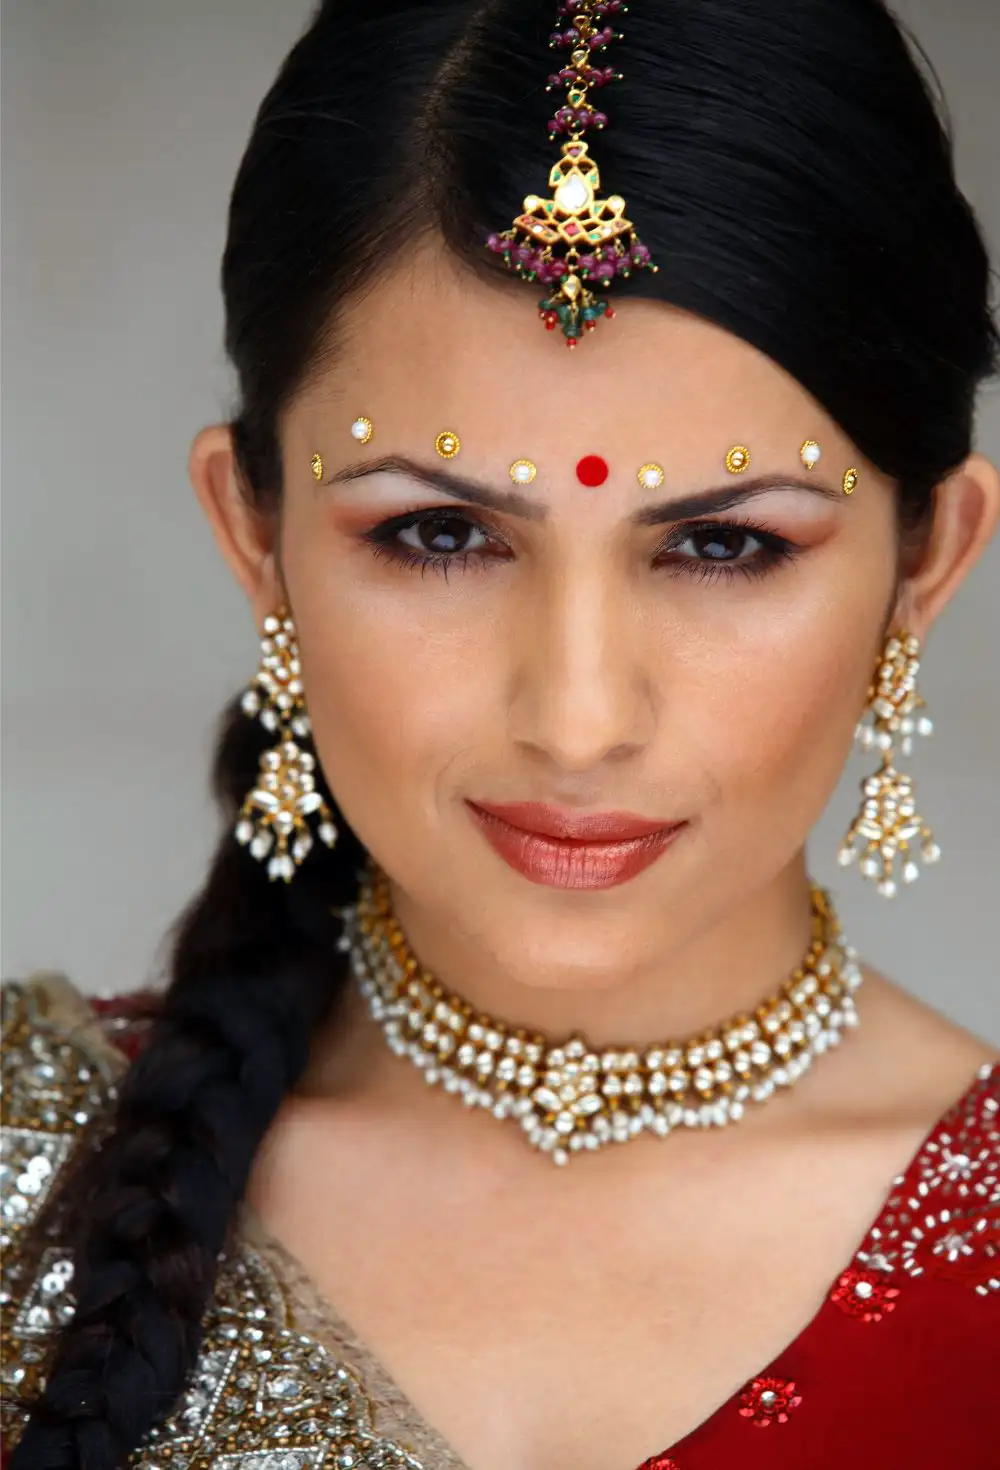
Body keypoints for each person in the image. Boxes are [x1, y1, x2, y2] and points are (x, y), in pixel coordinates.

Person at [2, 0, 999, 1466]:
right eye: (441, 532)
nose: (579, 718)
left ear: (927, 560)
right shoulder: (29, 1166)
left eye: (722, 545)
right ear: (254, 532)